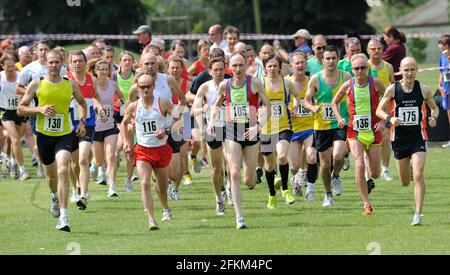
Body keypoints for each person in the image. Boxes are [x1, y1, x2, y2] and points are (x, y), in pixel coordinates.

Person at [17, 50, 88, 232]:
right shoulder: (37, 84)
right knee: (51, 177)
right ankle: (54, 196)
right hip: (44, 136)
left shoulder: (69, 84)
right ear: (45, 63)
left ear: (62, 63)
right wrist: (39, 110)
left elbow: (82, 103)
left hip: (64, 134)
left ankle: (64, 217)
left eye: (57, 62)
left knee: (63, 168)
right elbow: (20, 109)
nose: (54, 65)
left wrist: (81, 121)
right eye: (51, 62)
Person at [207, 52, 270, 229]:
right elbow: (217, 104)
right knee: (234, 172)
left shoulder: (254, 83)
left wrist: (258, 125)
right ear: (230, 67)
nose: (237, 69)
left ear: (246, 65)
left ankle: (250, 177)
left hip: (250, 131)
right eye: (234, 66)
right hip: (231, 131)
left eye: (240, 65)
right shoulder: (224, 85)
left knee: (249, 181)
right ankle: (239, 218)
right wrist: (212, 121)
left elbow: (268, 106)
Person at [376, 57, 439, 225]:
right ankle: (408, 168)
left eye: (412, 69)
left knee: (418, 175)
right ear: (400, 71)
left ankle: (418, 214)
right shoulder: (392, 89)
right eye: (406, 70)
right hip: (399, 140)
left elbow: (435, 108)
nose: (409, 73)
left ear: (417, 70)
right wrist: (390, 119)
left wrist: (433, 118)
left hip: (418, 138)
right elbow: (378, 111)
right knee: (405, 182)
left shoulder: (424, 90)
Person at [332, 53, 385, 216]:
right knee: (360, 165)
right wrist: (340, 118)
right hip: (355, 132)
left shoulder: (375, 83)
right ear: (352, 70)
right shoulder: (347, 85)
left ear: (367, 69)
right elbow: (334, 102)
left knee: (375, 173)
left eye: (363, 68)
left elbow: (390, 98)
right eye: (357, 68)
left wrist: (384, 120)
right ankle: (366, 204)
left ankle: (368, 178)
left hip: (374, 132)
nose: (360, 71)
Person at [122, 73, 175, 231]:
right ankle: (152, 219)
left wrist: (166, 131)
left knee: (162, 186)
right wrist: (127, 141)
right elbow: (124, 123)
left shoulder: (163, 102)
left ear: (154, 87)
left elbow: (180, 118)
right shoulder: (133, 106)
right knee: (144, 182)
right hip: (143, 150)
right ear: (137, 88)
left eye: (148, 86)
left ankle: (166, 208)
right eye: (142, 87)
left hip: (161, 149)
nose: (145, 89)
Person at [303, 45, 351, 207]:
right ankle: (327, 194)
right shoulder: (316, 78)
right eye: (328, 58)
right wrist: (312, 107)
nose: (331, 61)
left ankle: (336, 176)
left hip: (340, 122)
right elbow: (305, 100)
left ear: (338, 59)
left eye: (334, 58)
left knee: (338, 155)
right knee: (324, 164)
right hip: (321, 125)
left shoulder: (346, 76)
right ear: (322, 60)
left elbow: (353, 95)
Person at [260, 54, 298, 209]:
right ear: (265, 68)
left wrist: (294, 107)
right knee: (269, 166)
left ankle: (286, 190)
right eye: (269, 66)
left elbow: (297, 96)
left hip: (284, 126)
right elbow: (253, 102)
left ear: (280, 68)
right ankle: (271, 195)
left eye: (275, 66)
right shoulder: (261, 84)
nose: (272, 68)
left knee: (282, 156)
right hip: (266, 128)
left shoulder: (286, 83)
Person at [192, 57, 228, 215]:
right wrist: (204, 108)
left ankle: (230, 190)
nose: (219, 72)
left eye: (221, 69)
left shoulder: (231, 85)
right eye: (216, 70)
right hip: (213, 130)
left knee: (232, 164)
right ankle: (219, 199)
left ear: (226, 69)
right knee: (216, 168)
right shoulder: (205, 87)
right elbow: (194, 110)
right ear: (210, 71)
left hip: (231, 128)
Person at [286, 52, 318, 200]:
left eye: (302, 62)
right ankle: (295, 179)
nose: (300, 65)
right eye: (296, 63)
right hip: (292, 128)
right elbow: (278, 103)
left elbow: (319, 99)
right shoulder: (285, 82)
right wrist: (287, 112)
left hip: (310, 126)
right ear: (291, 65)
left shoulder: (312, 81)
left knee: (312, 157)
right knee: (295, 166)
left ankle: (310, 192)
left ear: (306, 64)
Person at [367, 38, 395, 181]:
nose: (376, 51)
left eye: (379, 48)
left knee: (385, 139)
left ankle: (385, 169)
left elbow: (393, 85)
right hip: (366, 109)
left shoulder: (388, 67)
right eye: (373, 49)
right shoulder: (363, 66)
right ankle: (368, 171)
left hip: (383, 108)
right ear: (368, 51)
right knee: (366, 140)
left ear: (383, 50)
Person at [0, 54, 29, 181]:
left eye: (12, 66)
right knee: (16, 139)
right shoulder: (0, 77)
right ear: (3, 66)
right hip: (4, 112)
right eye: (8, 67)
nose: (11, 69)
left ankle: (11, 161)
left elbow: (28, 90)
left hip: (18, 111)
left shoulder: (20, 76)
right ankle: (23, 170)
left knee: (13, 141)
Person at [437, 35, 450, 148]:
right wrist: (439, 86)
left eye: (440, 43)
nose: (439, 46)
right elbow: (441, 72)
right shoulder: (442, 57)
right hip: (446, 90)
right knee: (449, 115)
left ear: (446, 45)